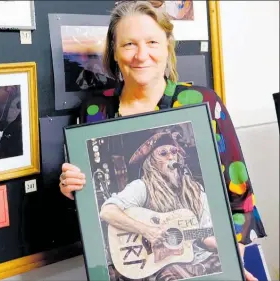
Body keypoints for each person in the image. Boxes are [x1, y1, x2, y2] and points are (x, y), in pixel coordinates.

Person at [59, 1, 266, 280]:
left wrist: (234, 247)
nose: (141, 55)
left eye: (152, 42)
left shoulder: (202, 102)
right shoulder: (95, 112)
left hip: (203, 263)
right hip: (135, 265)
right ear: (114, 53)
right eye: (129, 44)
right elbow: (96, 204)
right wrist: (73, 189)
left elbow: (239, 189)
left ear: (167, 47)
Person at [100, 130, 222, 280]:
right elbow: (107, 212)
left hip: (197, 259)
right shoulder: (141, 187)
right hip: (158, 266)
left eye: (173, 151)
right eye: (163, 153)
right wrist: (147, 230)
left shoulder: (195, 190)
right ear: (150, 161)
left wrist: (223, 242)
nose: (171, 156)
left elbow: (204, 233)